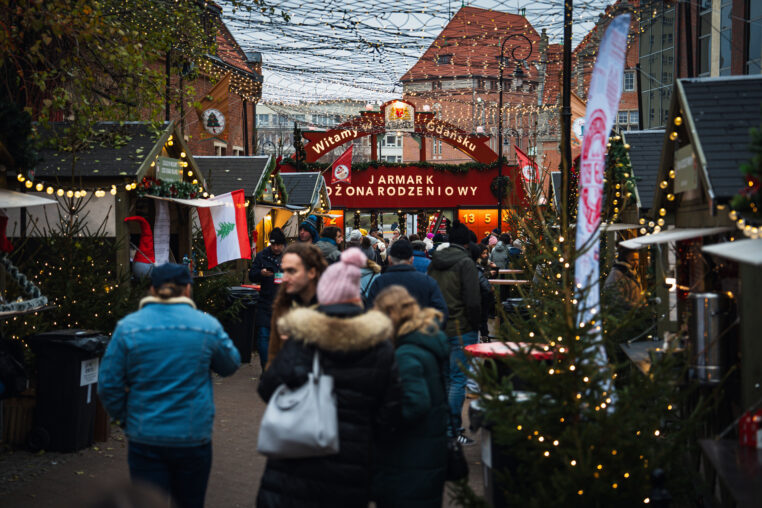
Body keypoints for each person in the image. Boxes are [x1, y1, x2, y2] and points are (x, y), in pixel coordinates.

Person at [256, 249, 401, 508]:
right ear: (357, 297)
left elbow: (268, 387)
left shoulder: (303, 338)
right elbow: (391, 412)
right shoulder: (380, 346)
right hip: (351, 467)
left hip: (296, 459)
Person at [99, 264, 240, 508]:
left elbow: (108, 385)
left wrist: (125, 418)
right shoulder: (206, 326)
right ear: (187, 289)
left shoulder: (128, 327)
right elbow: (230, 364)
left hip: (145, 435)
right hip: (192, 436)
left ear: (152, 288)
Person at [371, 285, 448, 508]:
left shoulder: (406, 353)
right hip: (427, 451)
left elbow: (415, 403)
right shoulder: (425, 341)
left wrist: (381, 417)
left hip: (409, 456)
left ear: (390, 315)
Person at [427, 220, 481, 445]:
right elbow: (472, 300)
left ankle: (441, 427)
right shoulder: (465, 263)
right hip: (461, 327)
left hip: (437, 326)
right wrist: (476, 324)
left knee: (446, 378)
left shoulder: (434, 262)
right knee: (458, 379)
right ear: (467, 244)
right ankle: (452, 430)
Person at [266, 242, 328, 366]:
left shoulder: (333, 308)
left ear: (311, 272)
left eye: (291, 271)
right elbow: (274, 357)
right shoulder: (283, 306)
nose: (284, 278)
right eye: (284, 271)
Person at [365, 239, 448, 325]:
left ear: (389, 259)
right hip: (420, 333)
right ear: (412, 259)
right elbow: (441, 313)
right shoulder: (428, 281)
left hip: (389, 334)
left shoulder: (380, 282)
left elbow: (370, 313)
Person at [249, 227, 285, 370]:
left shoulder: (291, 256)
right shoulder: (262, 256)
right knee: (263, 336)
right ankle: (267, 368)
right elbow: (252, 274)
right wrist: (260, 273)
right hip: (266, 301)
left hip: (285, 303)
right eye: (273, 244)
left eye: (278, 245)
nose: (276, 248)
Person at [603, 248, 644, 312]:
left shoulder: (633, 274)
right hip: (622, 317)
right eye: (632, 260)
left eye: (637, 260)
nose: (636, 263)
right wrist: (635, 306)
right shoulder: (616, 274)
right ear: (624, 260)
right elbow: (615, 297)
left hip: (634, 315)